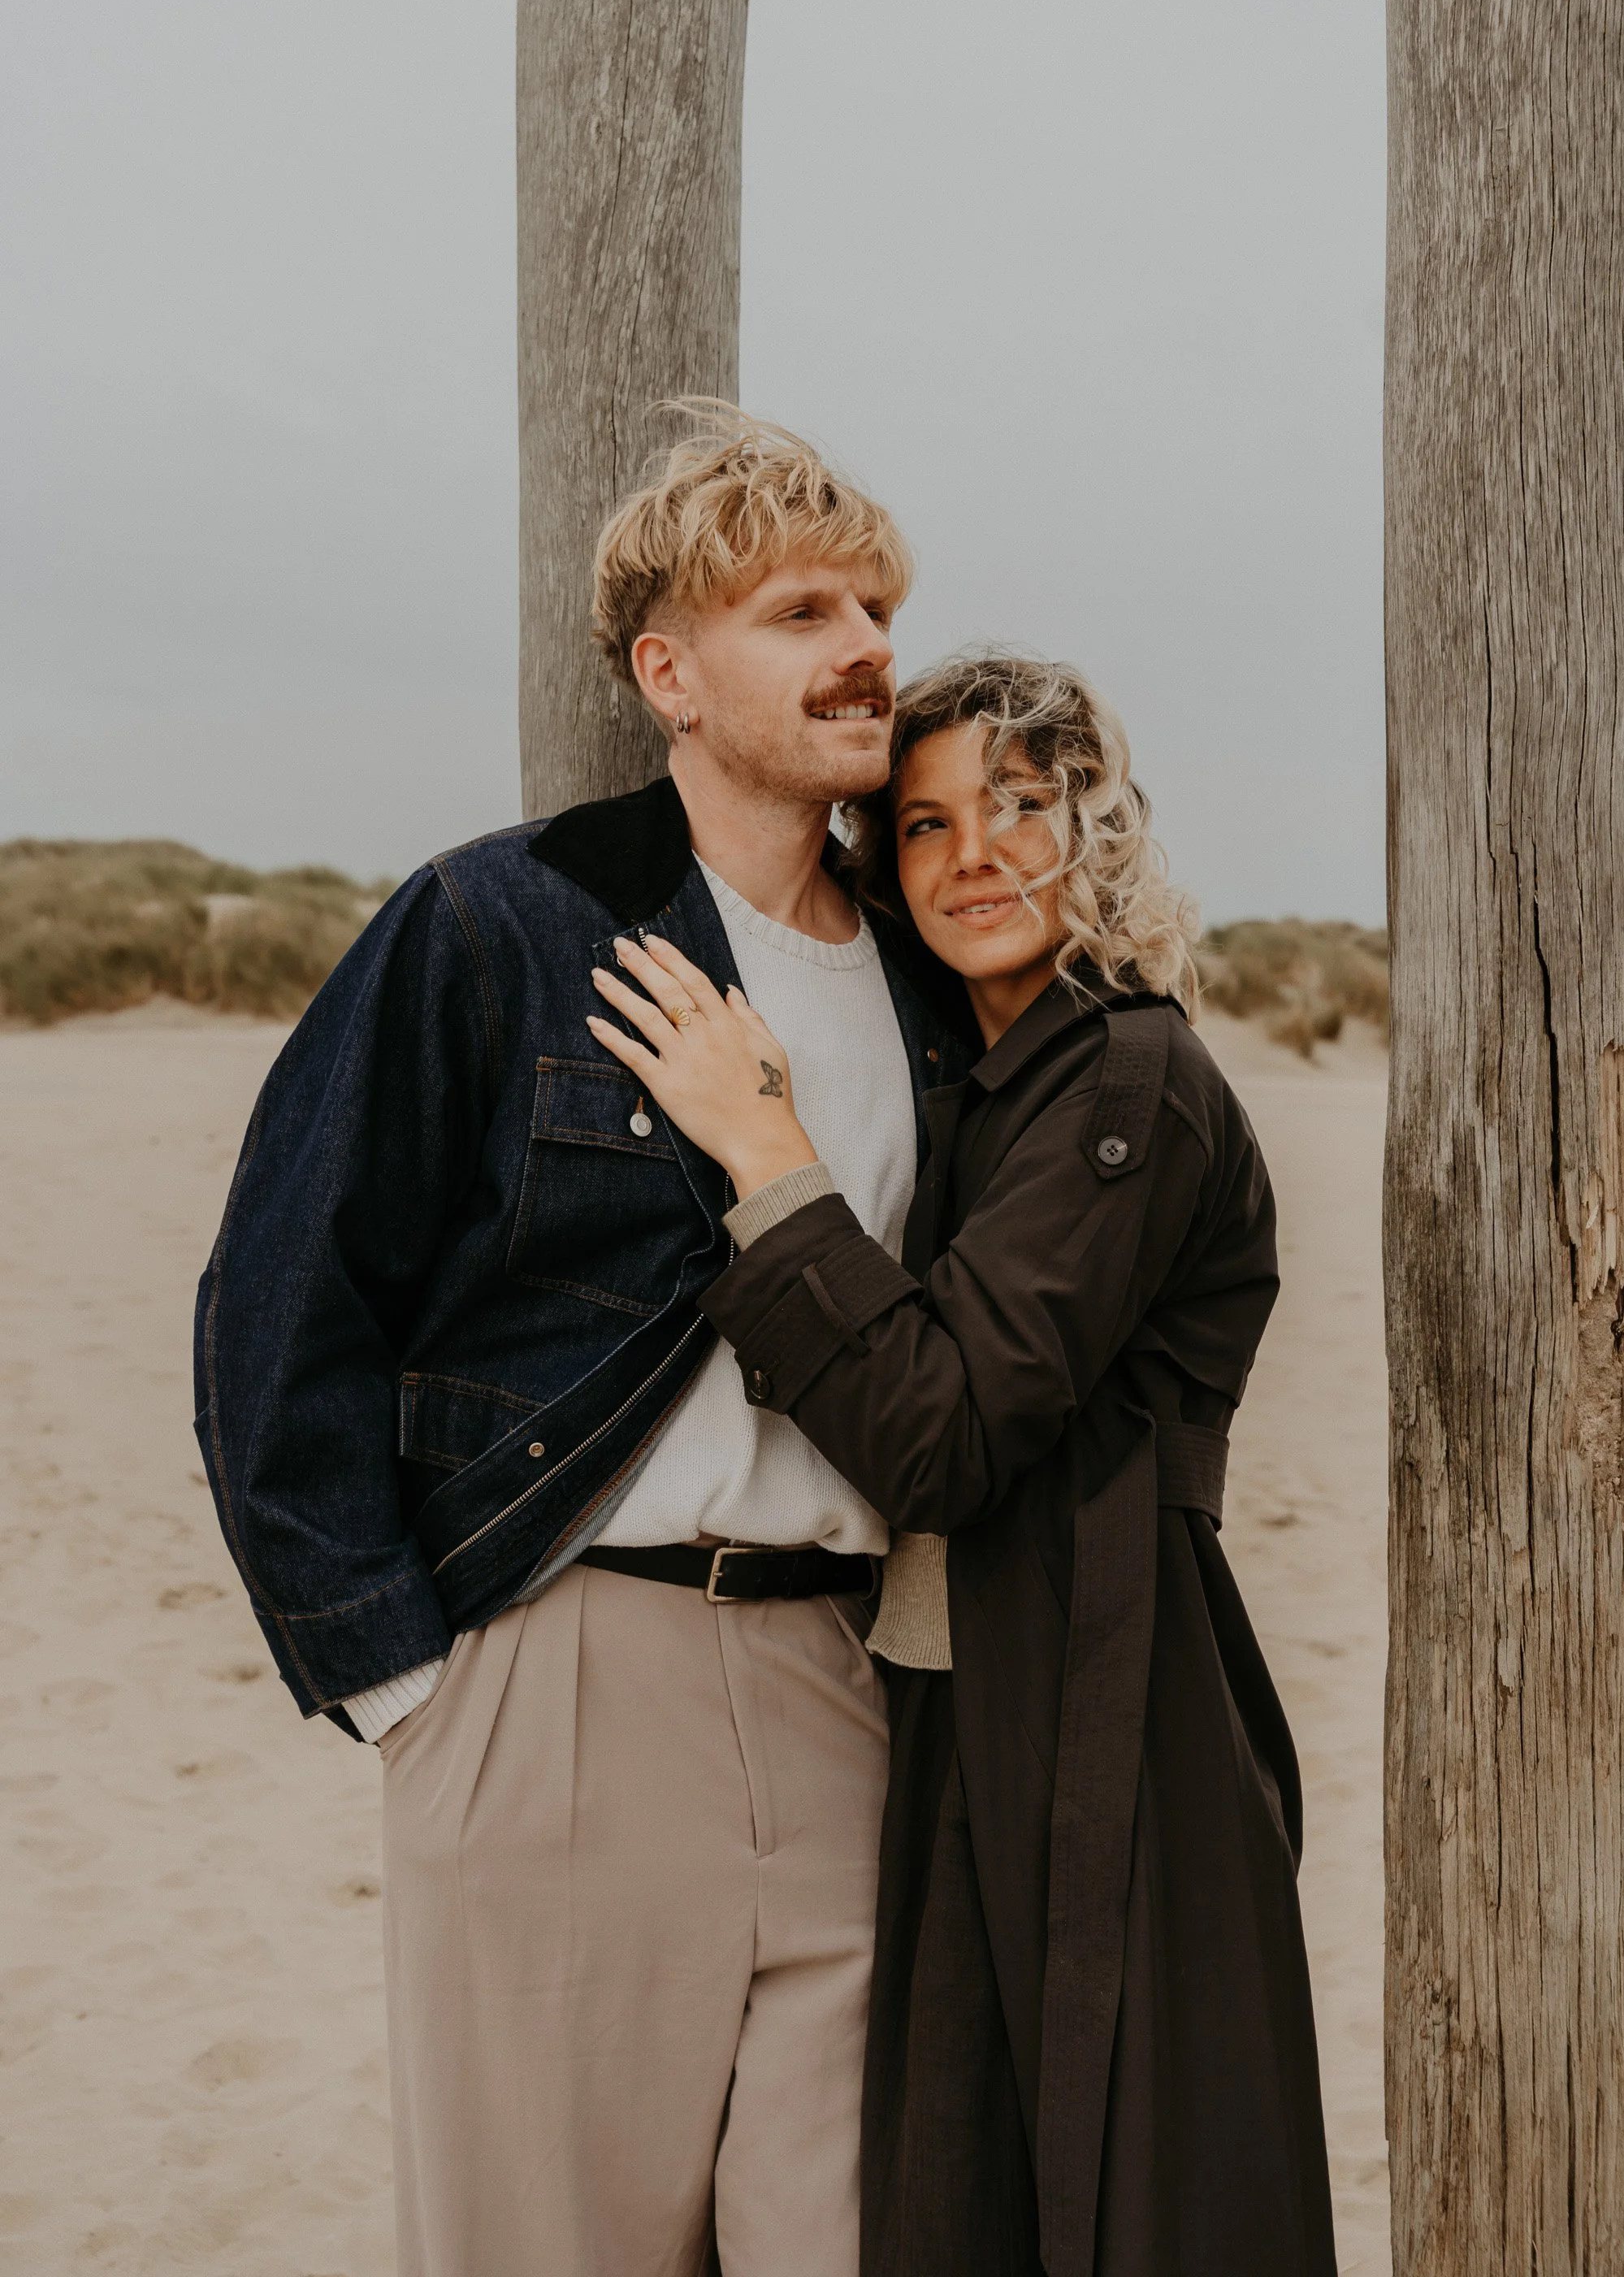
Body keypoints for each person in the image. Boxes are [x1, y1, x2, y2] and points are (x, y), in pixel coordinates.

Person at [193, 408, 977, 2277]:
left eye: (875, 602)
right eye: (799, 610)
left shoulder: (932, 986)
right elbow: (281, 1306)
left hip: (850, 1689)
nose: (864, 643)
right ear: (669, 674)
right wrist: (410, 1697)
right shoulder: (502, 923)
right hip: (556, 1687)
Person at [586, 651, 1340, 2277]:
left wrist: (767, 1157)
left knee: (1122, 2205)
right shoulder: (990, 1094)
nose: (973, 853)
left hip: (1109, 1723)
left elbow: (937, 1431)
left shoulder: (1126, 1074)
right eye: (922, 824)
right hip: (959, 1707)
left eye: (1019, 803)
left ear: (1096, 823)